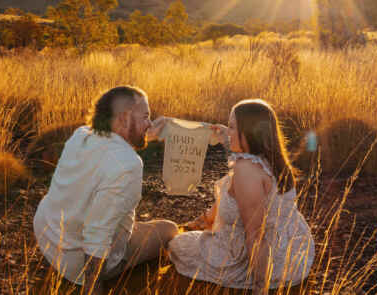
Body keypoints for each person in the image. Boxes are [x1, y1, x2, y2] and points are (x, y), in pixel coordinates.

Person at [34, 86, 178, 295]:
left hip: (47, 235)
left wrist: (145, 133)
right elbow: (97, 233)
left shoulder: (81, 135)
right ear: (122, 119)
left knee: (107, 210)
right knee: (169, 229)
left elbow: (113, 150)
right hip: (75, 261)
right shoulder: (128, 165)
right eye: (145, 117)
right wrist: (93, 287)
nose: (150, 123)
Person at [168, 99, 315, 295]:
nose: (228, 132)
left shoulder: (246, 170)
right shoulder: (271, 158)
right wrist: (224, 136)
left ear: (250, 132)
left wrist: (259, 288)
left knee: (176, 245)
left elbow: (256, 234)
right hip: (293, 254)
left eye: (231, 127)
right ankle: (205, 221)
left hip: (262, 263)